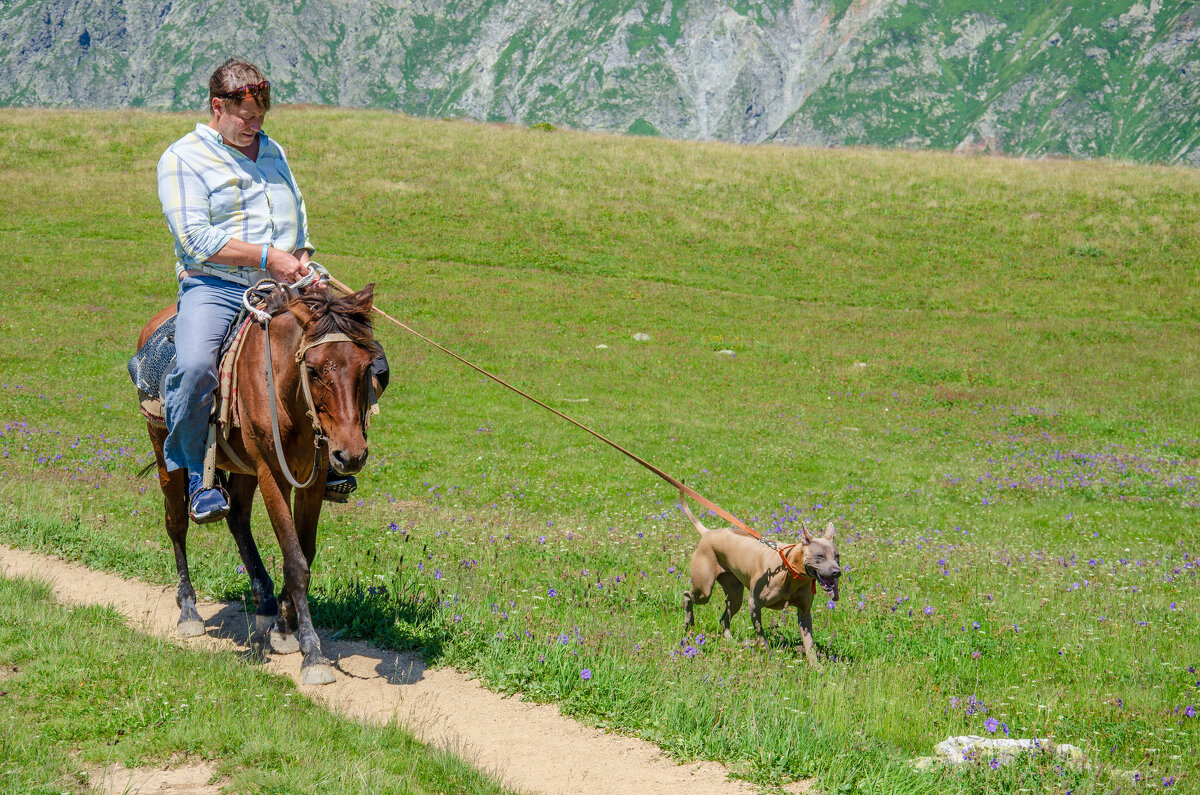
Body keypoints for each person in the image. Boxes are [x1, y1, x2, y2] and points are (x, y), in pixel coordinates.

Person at [157, 57, 354, 522]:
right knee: (194, 365)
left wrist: (301, 260)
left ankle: (327, 457)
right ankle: (197, 477)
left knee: (357, 352)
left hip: (286, 281)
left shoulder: (272, 150)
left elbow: (296, 216)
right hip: (217, 285)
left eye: (261, 118)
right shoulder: (182, 158)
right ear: (217, 106)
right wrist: (271, 257)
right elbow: (196, 240)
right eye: (246, 118)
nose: (255, 126)